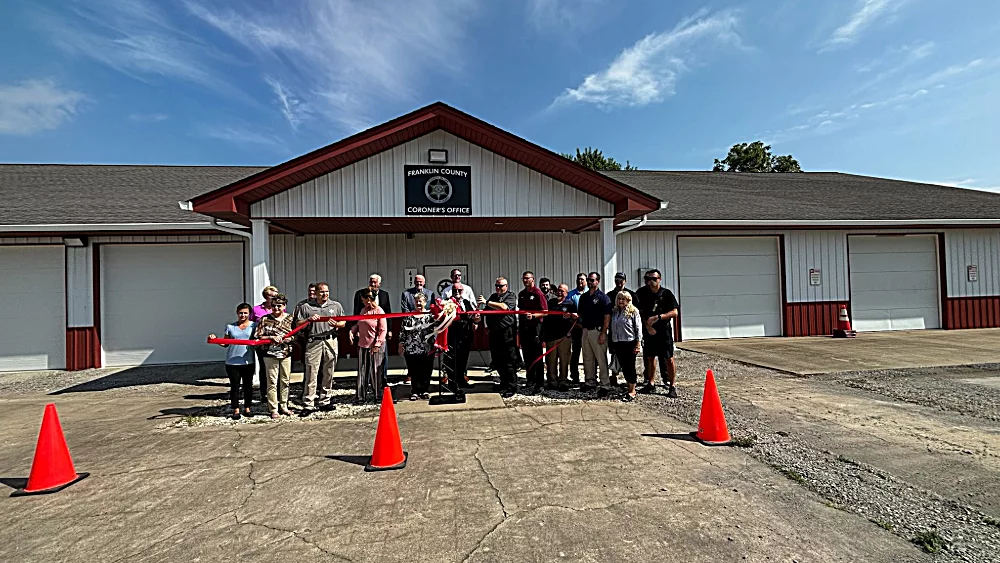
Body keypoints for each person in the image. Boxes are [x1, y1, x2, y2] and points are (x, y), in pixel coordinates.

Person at [295, 282, 346, 414]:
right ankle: (308, 403)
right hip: (314, 341)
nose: (325, 294)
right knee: (311, 372)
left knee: (328, 372)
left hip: (330, 340)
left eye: (327, 292)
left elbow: (343, 322)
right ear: (316, 293)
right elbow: (298, 323)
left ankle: (325, 401)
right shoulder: (306, 307)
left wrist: (337, 324)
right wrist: (309, 320)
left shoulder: (335, 305)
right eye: (322, 292)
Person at [635, 268, 680, 397]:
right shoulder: (642, 293)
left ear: (659, 279)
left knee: (668, 359)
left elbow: (675, 312)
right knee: (649, 358)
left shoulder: (666, 294)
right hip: (649, 331)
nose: (650, 282)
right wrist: (647, 326)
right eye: (648, 279)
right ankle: (651, 383)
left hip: (663, 331)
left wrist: (658, 317)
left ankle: (672, 386)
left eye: (654, 279)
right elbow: (638, 311)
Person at [208, 303, 256, 419]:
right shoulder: (230, 327)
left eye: (245, 313)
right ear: (237, 313)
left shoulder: (254, 326)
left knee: (248, 386)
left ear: (249, 314)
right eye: (241, 313)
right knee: (234, 386)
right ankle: (235, 409)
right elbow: (225, 343)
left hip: (247, 361)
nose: (243, 315)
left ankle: (247, 408)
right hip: (232, 362)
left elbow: (259, 340)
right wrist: (214, 339)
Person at [253, 294, 294, 419]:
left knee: (285, 380)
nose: (276, 308)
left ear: (284, 306)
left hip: (286, 353)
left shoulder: (290, 319)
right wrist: (271, 338)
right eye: (274, 306)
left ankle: (284, 405)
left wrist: (287, 339)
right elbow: (258, 336)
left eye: (279, 306)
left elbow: (296, 335)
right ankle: (273, 408)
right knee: (272, 382)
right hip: (270, 354)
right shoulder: (264, 319)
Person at [479, 277, 518, 397]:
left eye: (501, 286)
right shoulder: (493, 297)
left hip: (507, 332)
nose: (498, 288)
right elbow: (486, 311)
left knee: (508, 360)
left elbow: (504, 307)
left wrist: (486, 302)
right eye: (496, 285)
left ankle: (512, 386)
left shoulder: (511, 296)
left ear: (506, 286)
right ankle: (504, 382)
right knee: (498, 359)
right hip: (494, 332)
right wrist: (485, 324)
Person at [578, 272, 612, 397]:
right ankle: (590, 382)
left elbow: (607, 316)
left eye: (592, 280)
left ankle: (605, 384)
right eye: (589, 280)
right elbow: (580, 313)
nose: (590, 282)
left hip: (597, 331)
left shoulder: (603, 297)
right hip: (586, 330)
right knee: (587, 358)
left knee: (601, 359)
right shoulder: (584, 297)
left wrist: (603, 333)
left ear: (598, 281)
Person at [354, 274, 392, 385]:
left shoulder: (384, 295)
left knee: (381, 356)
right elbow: (356, 313)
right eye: (371, 282)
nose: (373, 284)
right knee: (365, 360)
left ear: (379, 283)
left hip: (380, 329)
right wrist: (356, 329)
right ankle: (365, 382)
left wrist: (389, 329)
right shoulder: (360, 294)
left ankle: (382, 379)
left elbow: (388, 312)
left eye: (375, 282)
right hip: (365, 331)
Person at [350, 288, 387, 404]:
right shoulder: (363, 311)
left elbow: (383, 330)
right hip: (363, 344)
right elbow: (359, 323)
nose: (362, 302)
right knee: (362, 371)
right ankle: (361, 396)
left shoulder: (379, 311)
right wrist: (352, 330)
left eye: (364, 300)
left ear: (369, 299)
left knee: (375, 371)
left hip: (375, 346)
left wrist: (377, 344)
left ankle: (377, 395)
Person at [444, 283, 480, 398]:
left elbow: (473, 317)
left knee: (462, 360)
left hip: (465, 336)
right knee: (451, 360)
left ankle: (461, 380)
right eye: (455, 290)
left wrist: (476, 319)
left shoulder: (466, 302)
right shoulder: (447, 303)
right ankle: (452, 383)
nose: (457, 292)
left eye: (459, 290)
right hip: (452, 336)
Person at [398, 292, 435, 400]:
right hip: (411, 348)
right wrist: (401, 344)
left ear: (425, 302)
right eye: (416, 301)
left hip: (426, 348)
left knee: (426, 370)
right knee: (414, 371)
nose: (418, 303)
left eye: (420, 301)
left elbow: (436, 330)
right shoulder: (408, 316)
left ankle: (424, 390)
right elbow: (402, 331)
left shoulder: (430, 316)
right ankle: (415, 391)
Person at [517, 271, 548, 394]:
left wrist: (534, 316)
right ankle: (530, 380)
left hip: (536, 328)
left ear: (533, 279)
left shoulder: (538, 294)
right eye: (523, 278)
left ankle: (539, 383)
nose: (525, 281)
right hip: (524, 329)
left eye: (527, 278)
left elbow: (545, 312)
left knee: (537, 357)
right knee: (527, 356)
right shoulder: (522, 294)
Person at [609, 291, 643, 402]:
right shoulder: (614, 312)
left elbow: (638, 328)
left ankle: (632, 391)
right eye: (619, 298)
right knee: (623, 366)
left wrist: (638, 343)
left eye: (623, 299)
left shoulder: (633, 311)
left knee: (630, 367)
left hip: (630, 342)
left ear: (628, 300)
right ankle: (629, 386)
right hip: (618, 342)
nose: (621, 301)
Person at [543, 284, 577, 391]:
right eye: (558, 290)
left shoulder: (570, 304)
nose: (559, 293)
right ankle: (552, 381)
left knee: (564, 360)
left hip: (564, 337)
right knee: (551, 360)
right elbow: (546, 318)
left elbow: (575, 320)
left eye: (562, 291)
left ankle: (563, 381)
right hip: (551, 336)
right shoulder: (551, 303)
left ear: (566, 293)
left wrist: (571, 317)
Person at [607, 272, 638, 387]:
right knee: (614, 355)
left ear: (625, 281)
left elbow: (637, 318)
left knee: (629, 362)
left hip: (629, 336)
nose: (619, 281)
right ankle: (614, 376)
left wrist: (638, 340)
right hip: (614, 334)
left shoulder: (632, 295)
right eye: (617, 279)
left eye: (621, 279)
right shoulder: (609, 295)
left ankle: (630, 383)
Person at [250, 285, 280, 401]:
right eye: (271, 296)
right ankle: (265, 392)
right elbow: (251, 325)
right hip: (262, 344)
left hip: (277, 343)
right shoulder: (256, 309)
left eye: (275, 296)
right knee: (264, 367)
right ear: (266, 297)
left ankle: (276, 392)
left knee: (276, 367)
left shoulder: (279, 308)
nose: (274, 298)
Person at [566, 273, 587, 383]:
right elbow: (567, 311)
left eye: (582, 280)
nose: (580, 282)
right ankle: (574, 375)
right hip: (576, 328)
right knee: (575, 352)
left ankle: (591, 376)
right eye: (578, 279)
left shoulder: (590, 294)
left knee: (589, 353)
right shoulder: (571, 295)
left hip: (588, 328)